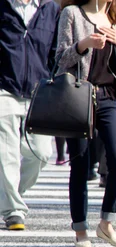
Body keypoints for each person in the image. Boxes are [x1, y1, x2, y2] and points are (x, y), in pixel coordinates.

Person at [56, 0, 116, 247]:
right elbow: (61, 59)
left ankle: (107, 223)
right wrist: (84, 44)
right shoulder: (72, 14)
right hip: (79, 96)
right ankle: (80, 229)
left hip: (108, 97)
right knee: (81, 164)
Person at [0, 0, 60, 231]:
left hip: (39, 91)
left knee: (41, 153)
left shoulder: (50, 9)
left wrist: (55, 81)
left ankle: (9, 194)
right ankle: (14, 211)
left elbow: (55, 51)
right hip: (5, 89)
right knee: (7, 154)